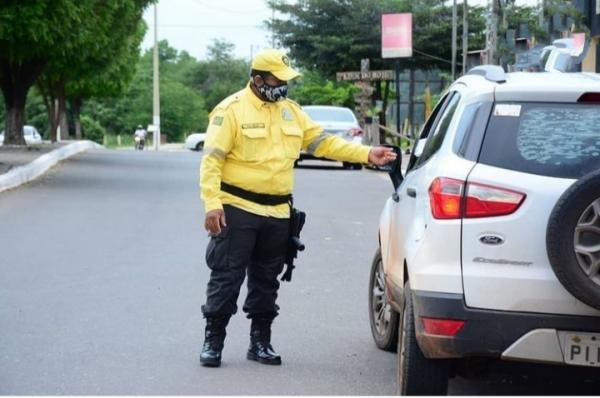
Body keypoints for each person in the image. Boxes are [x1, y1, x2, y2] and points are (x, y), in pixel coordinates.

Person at [199, 49, 396, 368]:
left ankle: (260, 342)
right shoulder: (231, 110)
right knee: (227, 277)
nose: (283, 86)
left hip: (278, 213)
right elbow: (212, 161)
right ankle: (213, 340)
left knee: (267, 281)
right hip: (237, 208)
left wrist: (366, 154)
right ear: (258, 79)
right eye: (278, 80)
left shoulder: (291, 112)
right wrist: (212, 204)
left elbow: (324, 143)